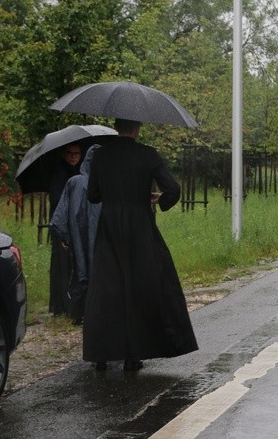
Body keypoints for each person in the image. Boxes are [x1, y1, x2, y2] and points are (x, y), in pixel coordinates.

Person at [84, 119, 198, 371]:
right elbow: (173, 189)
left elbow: (93, 196)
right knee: (142, 285)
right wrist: (157, 199)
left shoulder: (101, 156)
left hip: (110, 228)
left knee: (107, 287)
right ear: (137, 128)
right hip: (140, 227)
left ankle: (100, 354)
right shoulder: (148, 154)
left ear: (115, 126)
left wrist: (114, 193)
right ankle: (133, 355)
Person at [49, 144, 102, 325]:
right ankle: (93, 311)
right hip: (94, 237)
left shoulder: (74, 182)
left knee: (79, 268)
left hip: (78, 237)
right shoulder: (104, 183)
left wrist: (64, 236)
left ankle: (77, 313)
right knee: (93, 268)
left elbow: (60, 216)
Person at [48, 142, 82, 317]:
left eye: (76, 153)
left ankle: (74, 302)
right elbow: (55, 199)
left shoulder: (82, 172)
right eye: (70, 153)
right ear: (64, 154)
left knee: (76, 263)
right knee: (62, 265)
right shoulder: (59, 173)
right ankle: (62, 305)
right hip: (62, 225)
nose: (73, 156)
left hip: (77, 224)